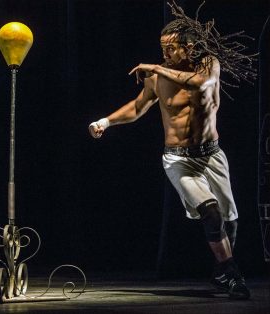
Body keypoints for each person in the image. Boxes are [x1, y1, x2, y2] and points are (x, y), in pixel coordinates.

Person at [88, 2, 256, 300]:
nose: (164, 55)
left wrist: (156, 68)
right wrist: (106, 121)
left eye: (171, 48)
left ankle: (220, 271)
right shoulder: (158, 78)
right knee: (211, 213)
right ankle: (232, 274)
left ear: (189, 47)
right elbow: (138, 108)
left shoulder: (208, 64)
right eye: (162, 49)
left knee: (231, 220)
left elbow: (203, 85)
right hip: (178, 158)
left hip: (212, 155)